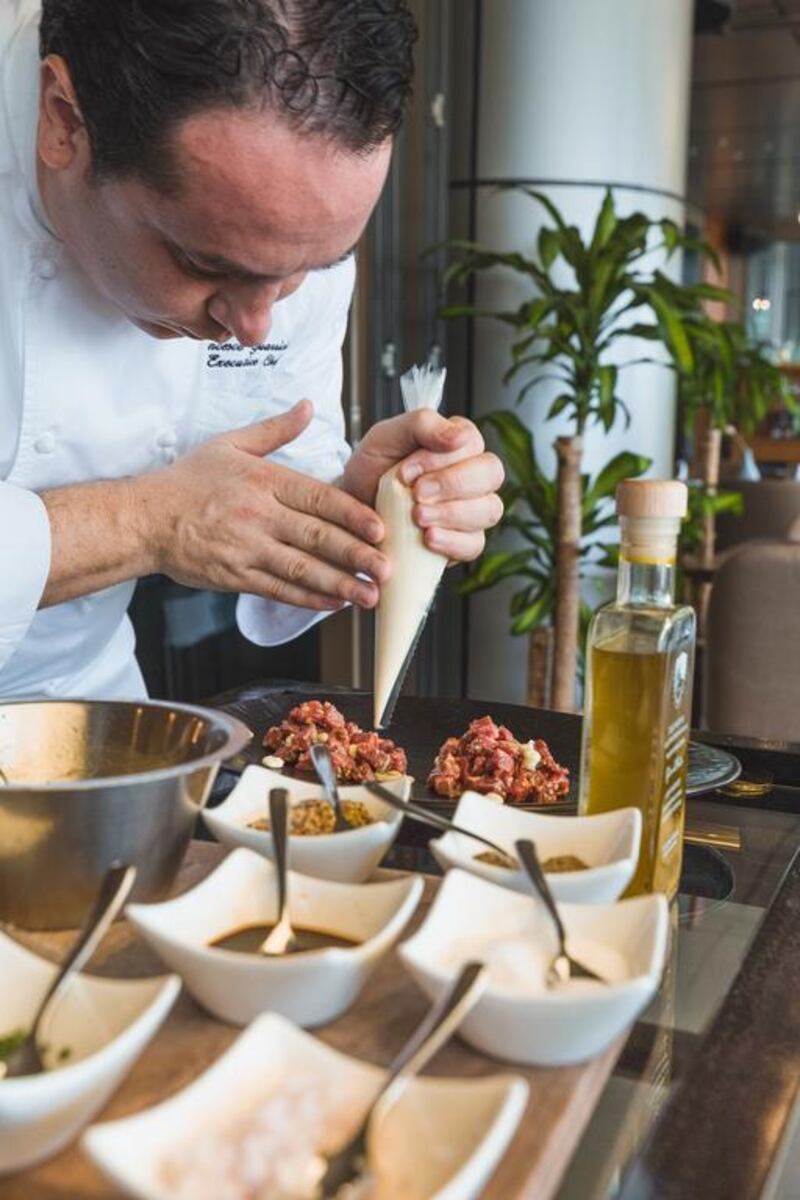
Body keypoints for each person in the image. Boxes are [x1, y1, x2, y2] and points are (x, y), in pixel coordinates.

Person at [0, 0, 504, 700]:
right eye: (203, 263)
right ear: (63, 119)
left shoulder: (285, 235)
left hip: (87, 706)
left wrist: (353, 511)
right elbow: (178, 514)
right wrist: (150, 521)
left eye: (311, 268)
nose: (256, 324)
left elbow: (270, 483)